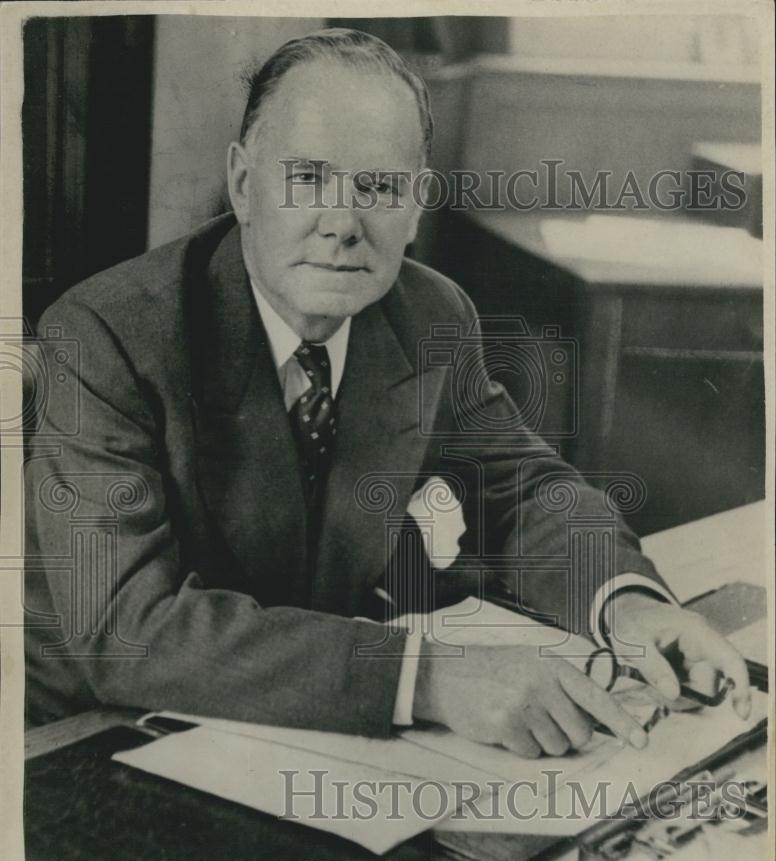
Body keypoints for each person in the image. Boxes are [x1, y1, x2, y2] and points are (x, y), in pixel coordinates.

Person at [24, 28, 750, 756]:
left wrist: (626, 603)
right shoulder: (108, 335)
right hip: (88, 737)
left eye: (378, 187)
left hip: (305, 724)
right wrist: (426, 678)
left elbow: (519, 489)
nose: (342, 224)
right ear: (244, 186)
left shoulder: (429, 315)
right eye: (307, 179)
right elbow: (128, 632)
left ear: (416, 207)